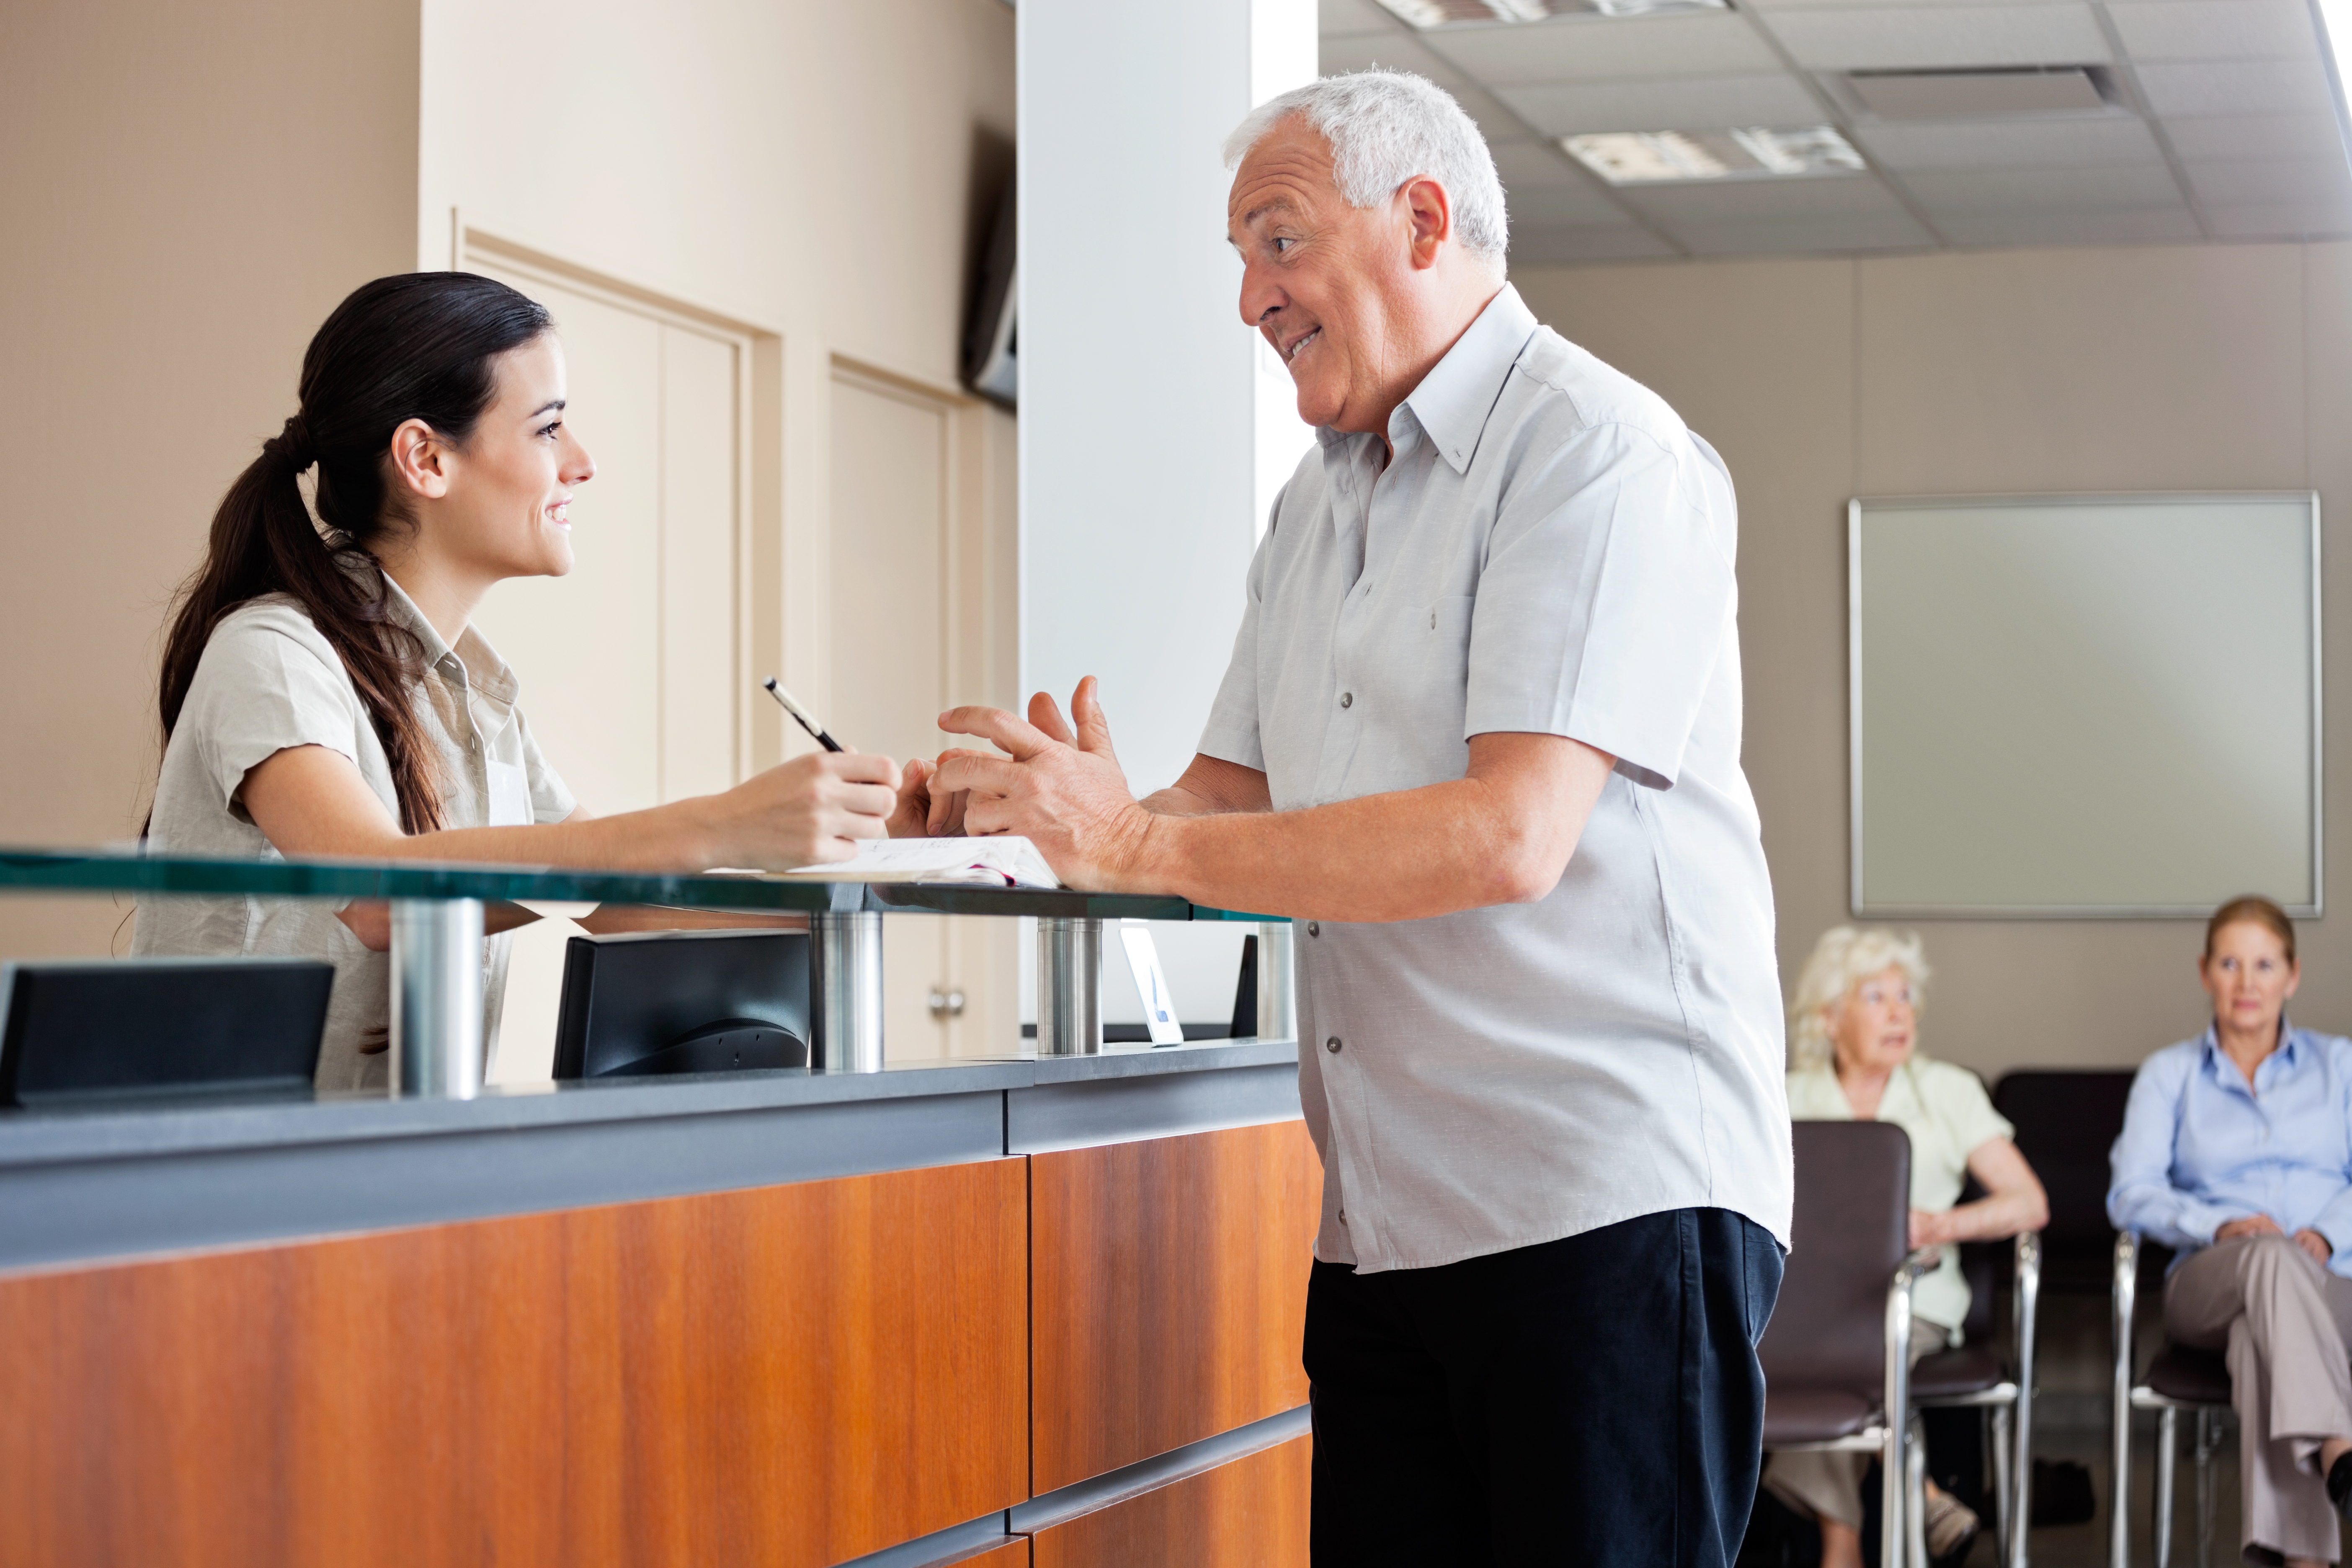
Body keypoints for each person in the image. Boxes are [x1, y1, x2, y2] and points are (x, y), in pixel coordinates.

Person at [920, 70, 1792, 1565]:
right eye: (1239, 260)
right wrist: (1036, 816)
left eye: (1276, 243)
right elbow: (1222, 807)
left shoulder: (1596, 455)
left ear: (1422, 221)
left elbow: (1507, 834)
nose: (1248, 299)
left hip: (1603, 1209)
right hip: (1386, 1226)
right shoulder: (1314, 503)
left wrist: (1135, 841)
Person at [136, 272, 927, 1091]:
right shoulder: (270, 651)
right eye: (549, 428)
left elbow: (618, 902)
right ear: (426, 458)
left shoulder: (477, 697)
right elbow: (377, 894)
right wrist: (721, 823)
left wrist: (885, 857)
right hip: (220, 1183)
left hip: (384, 1170)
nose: (583, 464)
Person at [1767, 926, 2048, 1566]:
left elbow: (2029, 1202)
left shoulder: (1948, 1091)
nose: (1900, 1012)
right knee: (1827, 1349)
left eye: (1906, 997)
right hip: (1804, 1312)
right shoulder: (1786, 1096)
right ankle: (1917, 1486)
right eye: (1876, 997)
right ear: (1829, 1017)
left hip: (1911, 1305)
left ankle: (1841, 1547)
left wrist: (1937, 1226)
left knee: (1852, 1353)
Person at [2110, 895, 2352, 1568]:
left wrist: (2329, 1233)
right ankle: (2338, 1444)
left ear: (2293, 976)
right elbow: (2130, 1193)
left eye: (2265, 964)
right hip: (2208, 1285)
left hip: (2334, 1285)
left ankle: (2302, 1560)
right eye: (2230, 963)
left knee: (2259, 1342)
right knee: (2264, 1261)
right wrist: (2217, 1224)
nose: (2247, 982)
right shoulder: (2171, 1074)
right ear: (2205, 972)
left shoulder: (2342, 1068)